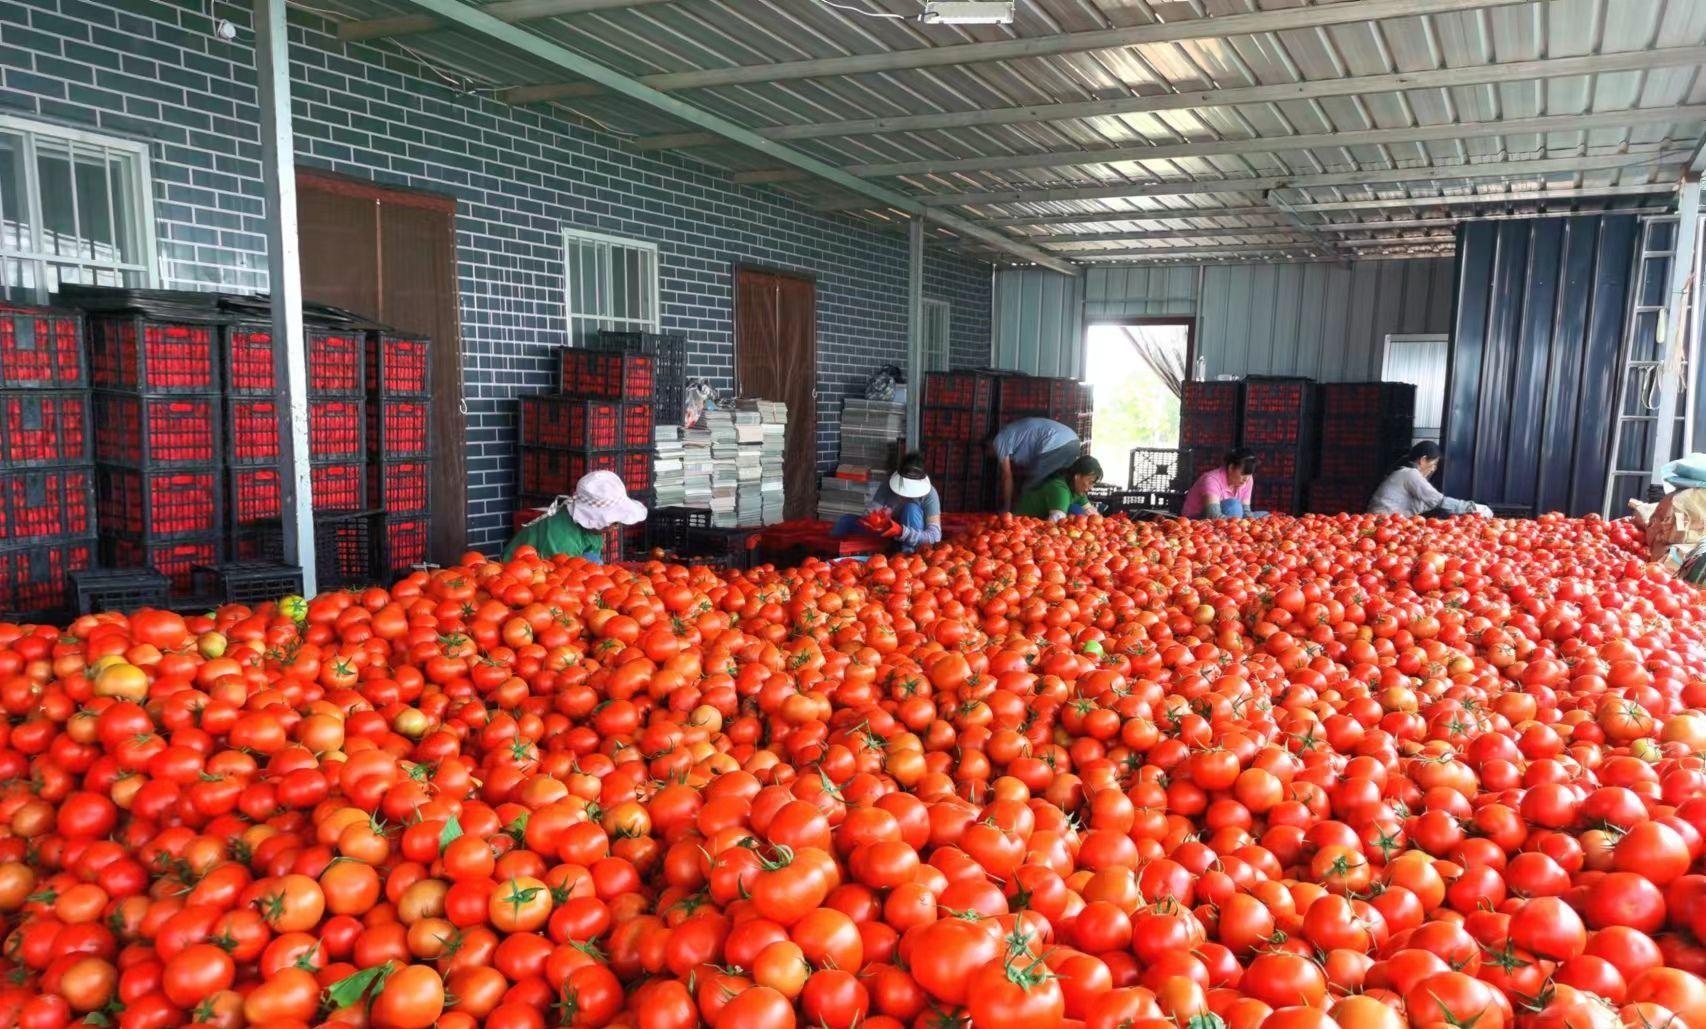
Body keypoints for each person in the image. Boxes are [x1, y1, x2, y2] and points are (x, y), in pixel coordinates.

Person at [503, 470, 647, 562]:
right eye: (613, 522)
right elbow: (557, 573)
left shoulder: (590, 530)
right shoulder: (561, 535)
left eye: (617, 522)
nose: (615, 528)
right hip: (519, 572)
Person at [831, 453, 943, 553]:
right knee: (846, 521)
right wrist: (877, 519)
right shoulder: (888, 485)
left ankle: (907, 555)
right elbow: (870, 511)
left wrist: (902, 532)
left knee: (911, 509)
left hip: (915, 539)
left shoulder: (930, 494)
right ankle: (829, 558)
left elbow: (935, 535)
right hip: (887, 533)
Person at [1368, 441, 1492, 517]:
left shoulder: (1403, 473)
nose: (1433, 469)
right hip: (1382, 523)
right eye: (1433, 464)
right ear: (1423, 460)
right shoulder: (1410, 474)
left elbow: (1429, 504)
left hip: (1381, 522)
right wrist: (1473, 508)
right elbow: (1438, 501)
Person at [990, 416, 1082, 512]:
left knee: (1031, 487)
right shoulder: (1012, 435)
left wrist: (1006, 508)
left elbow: (1006, 476)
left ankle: (1020, 519)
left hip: (1056, 442)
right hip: (1073, 441)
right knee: (1060, 482)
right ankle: (1073, 516)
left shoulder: (998, 440)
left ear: (989, 446)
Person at [1014, 456, 1103, 521]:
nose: (1091, 488)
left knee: (1078, 511)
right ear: (1077, 477)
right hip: (1021, 525)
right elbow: (1055, 523)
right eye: (1090, 482)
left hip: (1037, 524)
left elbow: (1093, 515)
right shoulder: (1060, 490)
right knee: (1076, 512)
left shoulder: (1077, 488)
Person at [1182, 448, 1258, 519]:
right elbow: (1212, 514)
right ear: (1231, 468)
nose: (1246, 479)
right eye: (1243, 473)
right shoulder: (1211, 480)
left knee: (1265, 515)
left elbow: (1246, 511)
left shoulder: (1248, 480)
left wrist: (1252, 523)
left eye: (1250, 474)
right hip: (1197, 522)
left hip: (1230, 521)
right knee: (1234, 506)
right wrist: (1241, 526)